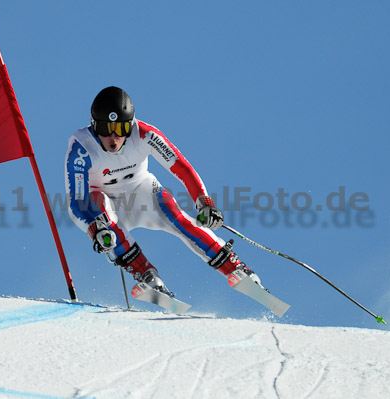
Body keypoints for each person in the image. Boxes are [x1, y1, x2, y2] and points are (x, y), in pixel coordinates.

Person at [65, 86, 260, 297]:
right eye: (105, 129)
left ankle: (234, 267)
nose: (113, 138)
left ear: (130, 125)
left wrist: (204, 202)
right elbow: (77, 200)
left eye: (121, 129)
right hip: (105, 205)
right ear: (94, 126)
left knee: (174, 213)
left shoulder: (144, 134)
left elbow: (181, 167)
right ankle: (146, 275)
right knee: (97, 207)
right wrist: (94, 229)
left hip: (140, 192)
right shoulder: (81, 147)